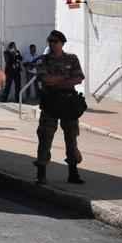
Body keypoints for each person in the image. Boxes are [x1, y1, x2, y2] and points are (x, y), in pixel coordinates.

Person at [34, 30, 86, 185]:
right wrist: (65, 78)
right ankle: (41, 174)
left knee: (71, 138)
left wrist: (59, 81)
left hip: (68, 103)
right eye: (49, 41)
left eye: (55, 41)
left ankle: (73, 173)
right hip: (50, 102)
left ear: (62, 43)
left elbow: (79, 78)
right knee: (45, 137)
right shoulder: (43, 60)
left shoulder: (72, 58)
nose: (51, 44)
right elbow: (45, 79)